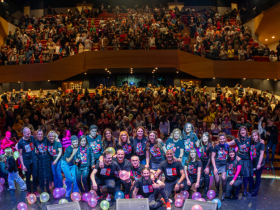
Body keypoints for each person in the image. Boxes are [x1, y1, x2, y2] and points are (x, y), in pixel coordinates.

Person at [18, 128, 40, 197]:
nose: (29, 135)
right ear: (23, 133)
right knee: (28, 177)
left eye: (30, 133)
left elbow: (36, 145)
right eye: (27, 134)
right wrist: (23, 165)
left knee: (35, 175)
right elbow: (20, 155)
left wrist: (38, 150)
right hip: (26, 161)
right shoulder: (21, 142)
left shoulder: (32, 138)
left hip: (33, 159)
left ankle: (35, 190)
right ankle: (29, 191)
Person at [211, 132, 229, 200]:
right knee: (217, 180)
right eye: (221, 139)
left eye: (223, 138)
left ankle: (223, 193)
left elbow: (230, 155)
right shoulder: (216, 146)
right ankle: (218, 190)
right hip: (217, 165)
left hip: (224, 165)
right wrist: (215, 168)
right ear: (218, 139)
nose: (222, 140)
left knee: (224, 178)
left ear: (225, 139)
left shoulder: (227, 146)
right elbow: (212, 157)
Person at [34, 129, 52, 193]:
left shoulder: (45, 139)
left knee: (47, 174)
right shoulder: (35, 141)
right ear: (36, 135)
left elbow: (51, 142)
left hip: (46, 158)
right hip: (39, 159)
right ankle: (42, 189)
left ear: (43, 135)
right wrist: (35, 152)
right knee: (41, 174)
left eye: (41, 134)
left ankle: (47, 188)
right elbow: (32, 149)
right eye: (39, 134)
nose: (40, 135)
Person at [249, 130, 264, 196]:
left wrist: (259, 164)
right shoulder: (251, 142)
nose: (254, 137)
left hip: (259, 162)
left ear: (258, 136)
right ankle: (251, 189)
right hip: (253, 162)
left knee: (258, 177)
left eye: (255, 135)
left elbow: (261, 154)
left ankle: (254, 192)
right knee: (250, 175)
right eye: (253, 136)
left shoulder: (261, 143)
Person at [199, 132, 213, 197]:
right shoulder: (200, 144)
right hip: (202, 162)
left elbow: (210, 158)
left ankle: (206, 189)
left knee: (206, 174)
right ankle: (201, 186)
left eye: (206, 137)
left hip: (208, 162)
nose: (204, 138)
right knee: (201, 174)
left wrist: (207, 167)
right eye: (203, 137)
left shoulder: (210, 146)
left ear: (208, 138)